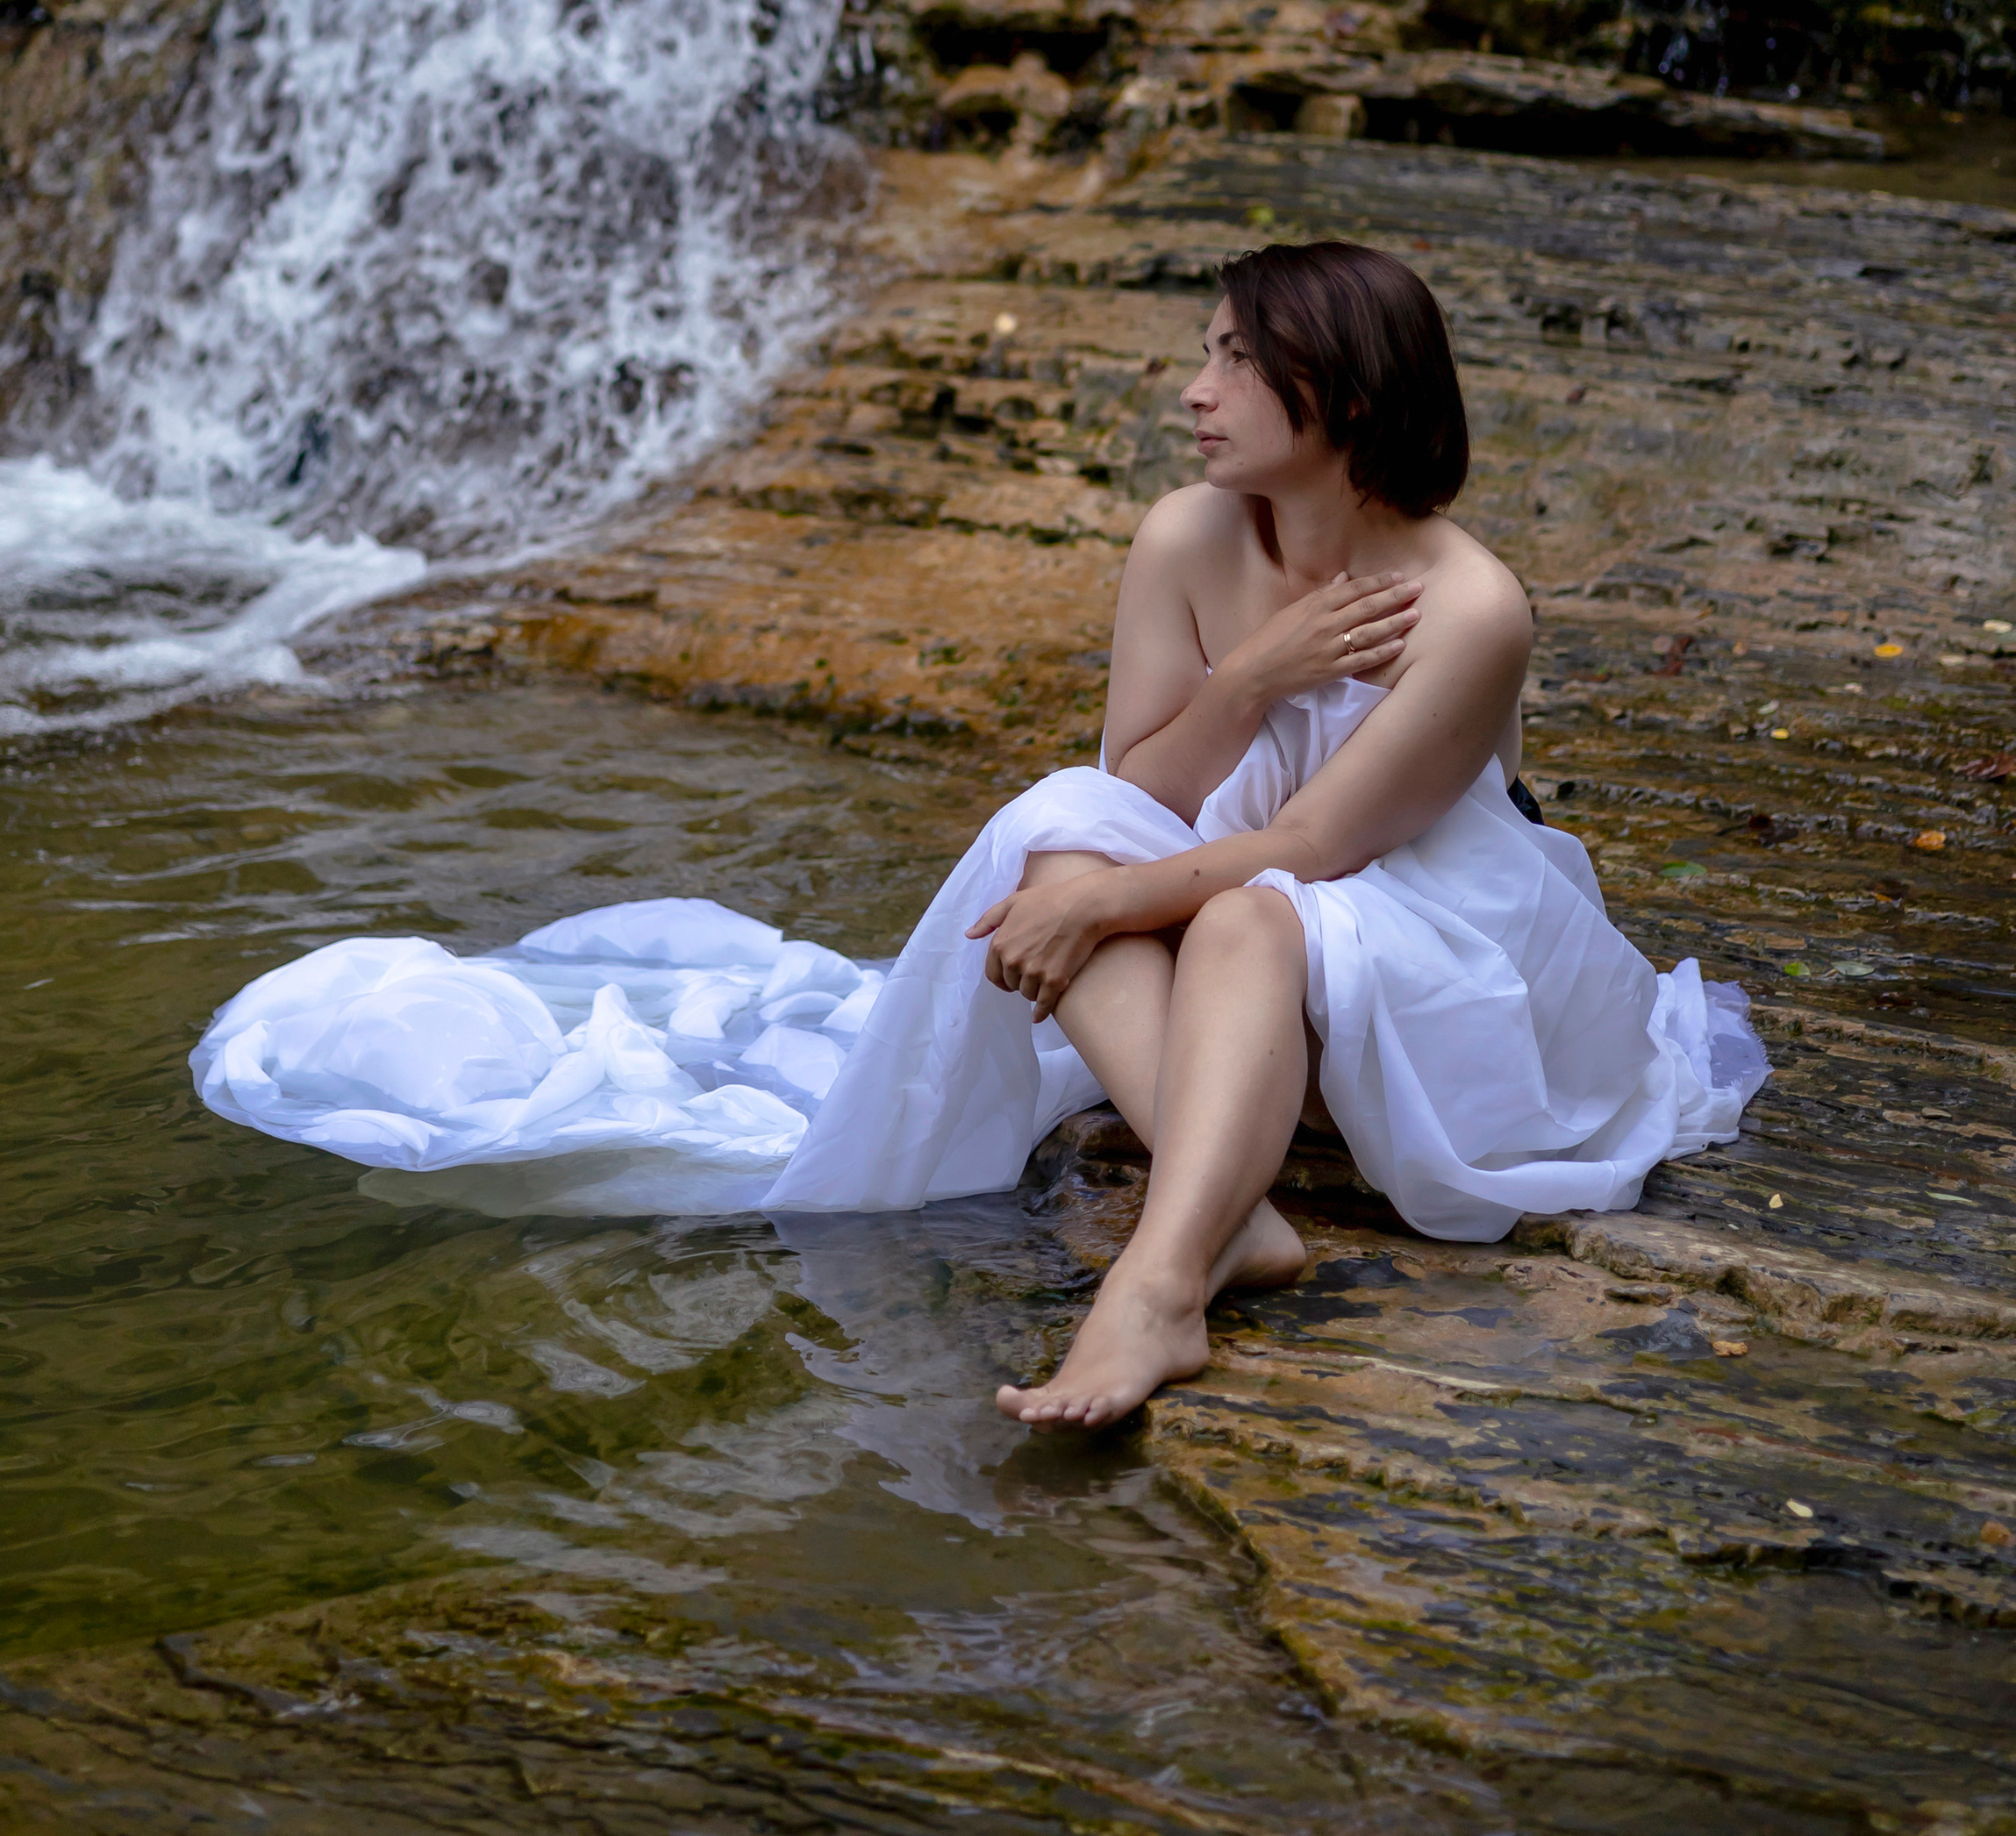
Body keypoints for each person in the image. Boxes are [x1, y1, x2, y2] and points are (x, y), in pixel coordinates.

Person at [192, 240, 1765, 1423]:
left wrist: (1111, 908)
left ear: (1341, 398)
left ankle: (1162, 1278)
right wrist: (1265, 675)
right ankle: (1245, 1217)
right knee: (1049, 841)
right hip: (1234, 871)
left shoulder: (1474, 608)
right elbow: (1136, 781)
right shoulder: (1188, 537)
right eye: (1202, 356)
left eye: (1230, 364)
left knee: (1231, 915)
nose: (1192, 394)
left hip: (1441, 923)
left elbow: (1327, 848)